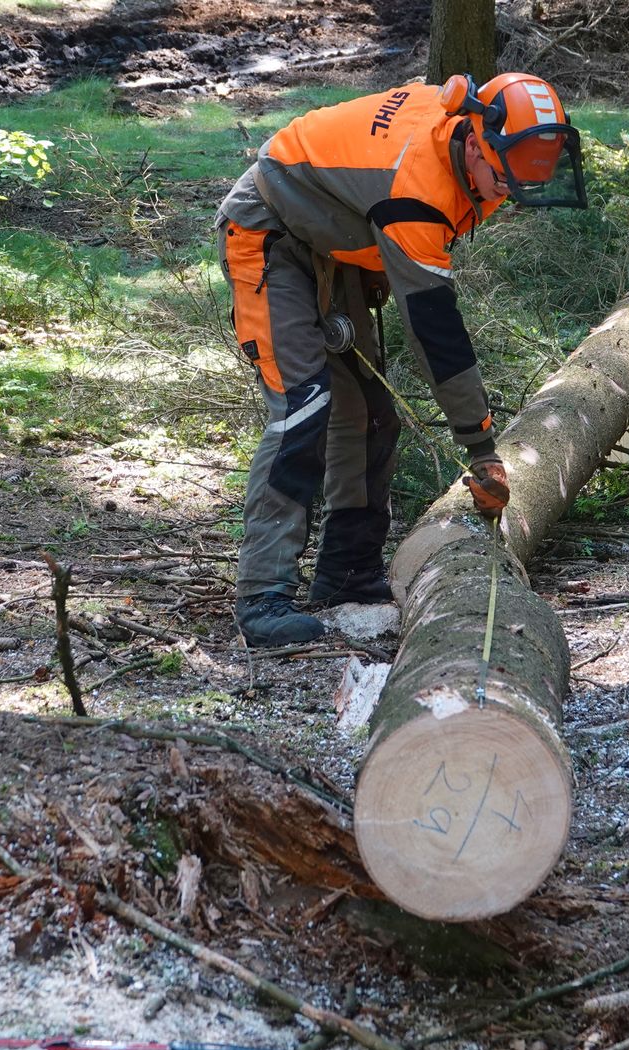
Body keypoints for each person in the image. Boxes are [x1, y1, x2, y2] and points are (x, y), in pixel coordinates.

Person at [215, 72, 587, 647]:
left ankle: (347, 572)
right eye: (500, 179)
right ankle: (262, 595)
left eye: (518, 184)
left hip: (337, 243)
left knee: (369, 412)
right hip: (271, 232)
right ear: (473, 142)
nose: (505, 193)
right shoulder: (416, 189)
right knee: (303, 407)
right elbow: (435, 331)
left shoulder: (472, 152)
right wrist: (480, 446)